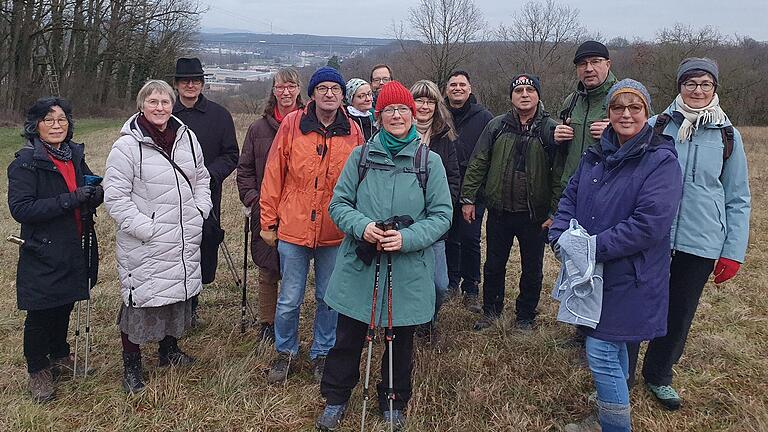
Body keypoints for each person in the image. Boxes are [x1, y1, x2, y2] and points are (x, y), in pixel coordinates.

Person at [316, 81, 452, 431]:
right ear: (378, 116)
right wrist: (362, 227)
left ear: (413, 115)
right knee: (348, 335)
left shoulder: (428, 162)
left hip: (406, 267)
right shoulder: (360, 157)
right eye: (389, 110)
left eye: (403, 109)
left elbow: (441, 215)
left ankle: (393, 400)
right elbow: (339, 204)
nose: (396, 115)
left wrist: (406, 238)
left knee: (400, 338)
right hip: (360, 263)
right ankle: (336, 398)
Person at [550, 79, 683, 432]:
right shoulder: (596, 155)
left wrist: (592, 249)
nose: (626, 114)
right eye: (618, 108)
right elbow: (569, 198)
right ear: (607, 114)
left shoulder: (660, 161)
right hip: (594, 275)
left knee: (601, 350)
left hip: (633, 275)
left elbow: (648, 224)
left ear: (647, 113)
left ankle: (614, 425)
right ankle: (610, 414)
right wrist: (559, 236)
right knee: (617, 345)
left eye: (634, 108)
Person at [626, 58, 751, 411]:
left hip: (701, 240)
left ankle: (659, 375)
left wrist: (733, 250)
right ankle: (623, 376)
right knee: (638, 306)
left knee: (679, 312)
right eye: (690, 83)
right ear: (679, 86)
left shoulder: (728, 135)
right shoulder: (656, 126)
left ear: (715, 89)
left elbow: (737, 196)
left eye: (705, 84)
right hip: (653, 237)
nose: (697, 91)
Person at [104, 79, 212, 394]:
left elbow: (201, 177)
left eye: (164, 102)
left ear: (172, 104)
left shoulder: (187, 138)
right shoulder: (127, 145)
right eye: (153, 102)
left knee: (176, 295)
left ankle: (169, 351)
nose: (160, 107)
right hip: (146, 241)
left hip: (182, 235)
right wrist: (145, 227)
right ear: (142, 105)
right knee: (139, 300)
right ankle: (132, 366)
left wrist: (199, 209)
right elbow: (115, 197)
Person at [260, 66, 364, 384]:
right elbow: (274, 172)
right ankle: (286, 351)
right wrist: (268, 220)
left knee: (327, 298)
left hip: (335, 230)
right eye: (323, 89)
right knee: (290, 297)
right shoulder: (293, 124)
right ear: (313, 94)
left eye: (335, 89)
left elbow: (362, 179)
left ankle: (322, 353)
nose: (329, 93)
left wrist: (358, 224)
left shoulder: (354, 130)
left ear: (343, 95)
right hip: (294, 227)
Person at [8, 97, 103, 402]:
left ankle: (60, 355)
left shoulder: (73, 154)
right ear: (35, 126)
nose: (56, 125)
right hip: (43, 248)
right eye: (48, 120)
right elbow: (21, 209)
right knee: (40, 312)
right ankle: (38, 370)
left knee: (65, 302)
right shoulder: (25, 162)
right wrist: (72, 199)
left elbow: (86, 190)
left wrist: (95, 193)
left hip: (75, 242)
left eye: (61, 119)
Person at [461, 74, 564, 332]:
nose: (524, 94)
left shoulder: (551, 130)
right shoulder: (497, 126)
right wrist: (468, 197)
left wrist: (554, 210)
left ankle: (525, 316)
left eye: (530, 90)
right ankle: (490, 312)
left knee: (532, 268)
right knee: (494, 264)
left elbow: (560, 174)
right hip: (499, 211)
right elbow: (479, 161)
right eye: (519, 90)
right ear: (511, 96)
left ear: (538, 95)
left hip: (534, 215)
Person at [237, 67, 304, 342]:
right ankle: (267, 323)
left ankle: (288, 323)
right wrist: (255, 200)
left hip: (298, 210)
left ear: (299, 89)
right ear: (273, 90)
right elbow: (244, 171)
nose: (285, 92)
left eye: (290, 86)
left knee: (294, 270)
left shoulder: (308, 124)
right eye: (280, 87)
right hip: (266, 209)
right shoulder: (258, 128)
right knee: (268, 268)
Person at [171, 57, 239, 326]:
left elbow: (231, 154)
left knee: (201, 248)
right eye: (185, 81)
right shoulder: (165, 113)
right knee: (171, 250)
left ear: (202, 84)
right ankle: (173, 309)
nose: (191, 85)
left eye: (196, 81)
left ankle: (192, 305)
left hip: (206, 195)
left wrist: (208, 175)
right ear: (176, 84)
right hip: (167, 197)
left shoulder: (219, 116)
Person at [409, 79, 460, 344]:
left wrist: (442, 210)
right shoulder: (399, 134)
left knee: (440, 284)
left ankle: (428, 322)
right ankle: (407, 326)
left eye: (430, 101)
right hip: (405, 224)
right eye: (419, 100)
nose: (425, 106)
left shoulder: (444, 137)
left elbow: (453, 178)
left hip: (434, 227)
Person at [444, 70, 494, 312]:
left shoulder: (484, 117)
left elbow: (489, 155)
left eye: (462, 84)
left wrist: (474, 193)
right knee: (449, 236)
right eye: (453, 84)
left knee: (471, 237)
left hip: (474, 189)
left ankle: (471, 287)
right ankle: (451, 282)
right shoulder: (439, 115)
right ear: (446, 90)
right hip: (444, 186)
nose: (457, 88)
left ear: (470, 89)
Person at [553, 41, 617, 190]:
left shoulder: (625, 97)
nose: (588, 69)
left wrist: (615, 133)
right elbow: (562, 160)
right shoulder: (571, 101)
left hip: (607, 192)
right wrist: (555, 138)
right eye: (582, 64)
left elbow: (647, 142)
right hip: (571, 191)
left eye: (595, 62)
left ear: (608, 64)